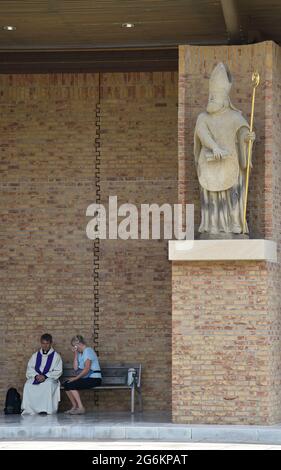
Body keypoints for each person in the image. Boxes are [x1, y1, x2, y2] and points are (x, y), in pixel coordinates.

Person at [194, 62, 256, 237]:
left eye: (215, 96)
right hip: (210, 165)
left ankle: (235, 223)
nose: (212, 99)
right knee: (211, 195)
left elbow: (243, 133)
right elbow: (202, 134)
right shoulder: (203, 118)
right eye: (211, 96)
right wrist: (214, 147)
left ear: (225, 99)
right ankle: (213, 225)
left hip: (230, 164)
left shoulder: (235, 116)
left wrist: (247, 138)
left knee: (233, 192)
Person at [21, 333, 63, 415]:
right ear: (41, 343)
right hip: (37, 378)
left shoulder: (56, 356)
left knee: (48, 384)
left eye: (47, 343)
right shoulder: (35, 356)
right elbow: (30, 368)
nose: (45, 345)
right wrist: (36, 376)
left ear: (51, 343)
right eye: (43, 343)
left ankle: (47, 409)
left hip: (50, 378)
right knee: (28, 384)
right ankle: (30, 410)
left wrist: (45, 376)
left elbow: (58, 371)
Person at [64, 335, 102, 415]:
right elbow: (75, 368)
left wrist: (75, 379)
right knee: (66, 384)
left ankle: (81, 408)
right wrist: (75, 354)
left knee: (71, 384)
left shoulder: (88, 351)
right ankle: (74, 406)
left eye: (74, 346)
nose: (74, 348)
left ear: (77, 344)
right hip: (87, 378)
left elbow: (87, 369)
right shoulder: (80, 354)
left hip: (94, 379)